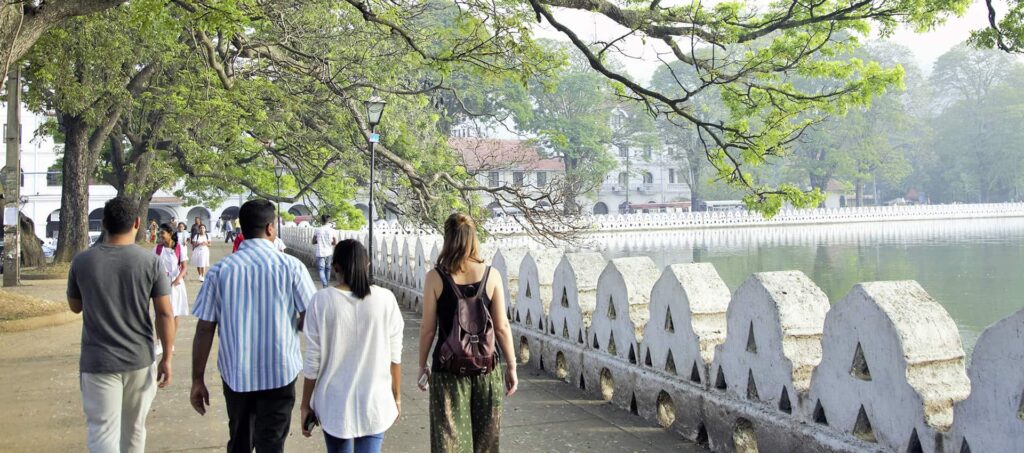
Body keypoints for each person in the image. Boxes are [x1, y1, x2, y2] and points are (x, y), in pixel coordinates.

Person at [190, 199, 317, 453]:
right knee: (272, 444)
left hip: (237, 374)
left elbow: (205, 328)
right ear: (271, 228)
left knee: (239, 442)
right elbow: (312, 319)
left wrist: (197, 378)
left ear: (243, 230)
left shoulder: (220, 272)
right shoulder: (291, 267)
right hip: (280, 372)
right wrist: (290, 323)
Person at [67, 197, 174, 452]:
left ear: (104, 223)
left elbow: (75, 306)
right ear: (138, 223)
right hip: (140, 358)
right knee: (135, 429)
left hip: (98, 361)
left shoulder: (82, 261)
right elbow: (165, 314)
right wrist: (167, 357)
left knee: (102, 431)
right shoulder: (151, 262)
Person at [418, 213, 518, 453]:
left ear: (448, 239)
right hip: (486, 370)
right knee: (486, 444)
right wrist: (512, 367)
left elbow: (428, 329)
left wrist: (422, 366)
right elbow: (502, 327)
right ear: (474, 239)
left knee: (449, 443)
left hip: (448, 371)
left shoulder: (435, 277)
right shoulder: (491, 275)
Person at [300, 240, 403, 453]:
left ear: (336, 267)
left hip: (334, 404)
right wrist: (397, 395)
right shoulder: (385, 299)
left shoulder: (321, 301)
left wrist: (305, 404)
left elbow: (313, 360)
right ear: (368, 265)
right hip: (375, 400)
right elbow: (395, 355)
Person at [156, 223, 189, 332]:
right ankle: (159, 342)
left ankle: (170, 342)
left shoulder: (179, 248)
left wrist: (177, 279)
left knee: (175, 312)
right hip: (162, 282)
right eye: (159, 232)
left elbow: (184, 267)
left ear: (170, 234)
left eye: (162, 233)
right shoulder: (157, 249)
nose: (160, 235)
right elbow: (153, 266)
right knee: (160, 312)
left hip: (176, 283)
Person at [312, 214, 337, 288]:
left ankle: (325, 285)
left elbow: (313, 241)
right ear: (329, 221)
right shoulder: (332, 231)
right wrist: (329, 242)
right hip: (329, 252)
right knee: (328, 269)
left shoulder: (317, 230)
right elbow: (335, 243)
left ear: (321, 221)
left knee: (321, 269)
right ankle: (327, 285)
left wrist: (319, 241)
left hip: (320, 252)